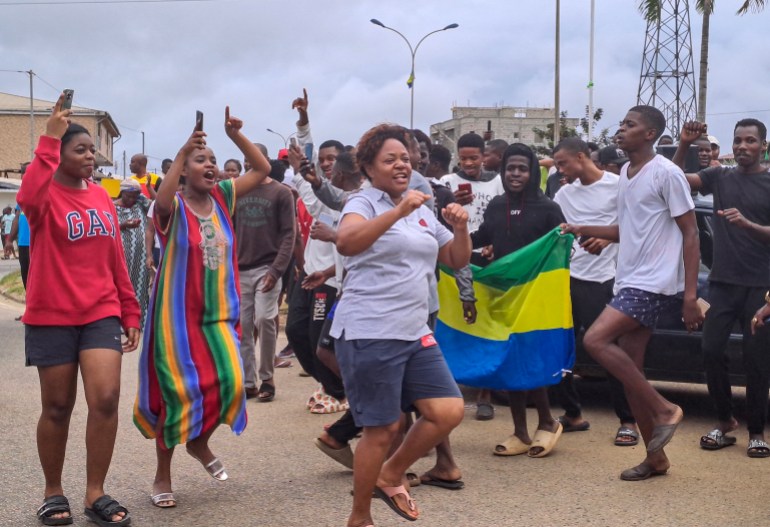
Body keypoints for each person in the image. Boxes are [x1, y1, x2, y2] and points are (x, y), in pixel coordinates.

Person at [332, 123, 470, 527]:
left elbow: (455, 260)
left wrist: (461, 227)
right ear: (369, 168)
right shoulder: (363, 202)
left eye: (405, 159)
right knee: (383, 427)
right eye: (389, 159)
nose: (401, 165)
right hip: (369, 331)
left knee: (447, 410)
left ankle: (390, 475)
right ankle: (360, 518)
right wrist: (397, 211)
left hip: (414, 330)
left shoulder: (423, 209)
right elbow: (347, 242)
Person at [133, 107, 271, 509]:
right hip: (174, 322)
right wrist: (181, 152)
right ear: (184, 170)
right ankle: (163, 475)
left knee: (230, 384)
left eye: (212, 161)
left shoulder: (224, 197)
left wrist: (235, 136)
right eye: (201, 160)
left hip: (219, 318)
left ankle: (199, 443)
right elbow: (159, 198)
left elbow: (262, 169)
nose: (210, 165)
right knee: (177, 395)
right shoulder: (171, 207)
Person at [562, 105, 702, 481]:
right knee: (630, 371)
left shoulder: (667, 173)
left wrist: (689, 296)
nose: (620, 130)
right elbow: (627, 228)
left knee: (595, 339)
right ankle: (655, 458)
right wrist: (584, 230)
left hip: (653, 282)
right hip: (628, 278)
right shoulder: (625, 172)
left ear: (650, 133)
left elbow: (691, 233)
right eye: (621, 124)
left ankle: (664, 408)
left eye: (629, 125)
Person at [19, 94, 141, 526]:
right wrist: (48, 139)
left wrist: (130, 310)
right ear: (61, 154)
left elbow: (114, 261)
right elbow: (29, 194)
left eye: (93, 149)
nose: (91, 156)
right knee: (57, 405)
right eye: (81, 149)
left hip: (100, 312)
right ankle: (54, 493)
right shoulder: (44, 197)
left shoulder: (102, 199)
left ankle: (96, 492)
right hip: (51, 314)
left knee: (105, 398)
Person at [674, 119, 770, 457]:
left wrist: (748, 224)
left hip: (761, 286)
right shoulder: (720, 177)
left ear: (763, 145)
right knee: (711, 350)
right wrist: (684, 144)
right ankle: (725, 421)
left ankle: (757, 431)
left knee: (757, 360)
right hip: (722, 284)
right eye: (738, 140)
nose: (743, 146)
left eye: (750, 141)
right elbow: (675, 182)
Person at [470, 143, 566, 457]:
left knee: (531, 360)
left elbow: (562, 246)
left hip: (536, 297)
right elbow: (483, 236)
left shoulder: (548, 207)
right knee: (511, 360)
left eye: (522, 169)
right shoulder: (496, 205)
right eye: (510, 168)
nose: (515, 174)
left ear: (533, 173)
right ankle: (520, 432)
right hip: (503, 293)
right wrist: (452, 235)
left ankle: (548, 422)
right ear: (503, 170)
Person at [552, 138, 639, 446]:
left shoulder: (618, 186)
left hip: (604, 280)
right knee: (561, 349)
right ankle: (573, 414)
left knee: (609, 351)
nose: (560, 171)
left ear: (580, 157)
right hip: (568, 280)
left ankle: (628, 420)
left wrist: (607, 240)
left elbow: (637, 225)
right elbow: (556, 231)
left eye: (563, 163)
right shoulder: (564, 194)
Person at [439, 132, 505, 420]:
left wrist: (496, 243)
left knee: (486, 324)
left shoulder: (497, 182)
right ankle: (448, 388)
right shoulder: (445, 183)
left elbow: (501, 216)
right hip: (455, 257)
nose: (468, 163)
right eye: (463, 158)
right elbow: (437, 219)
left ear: (484, 156)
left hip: (487, 259)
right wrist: (451, 201)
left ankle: (485, 394)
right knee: (456, 322)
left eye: (474, 158)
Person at [236, 156, 296, 402]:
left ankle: (267, 377)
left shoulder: (281, 193)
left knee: (264, 319)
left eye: (254, 161)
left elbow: (289, 234)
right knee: (243, 325)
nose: (250, 167)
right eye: (247, 163)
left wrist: (276, 270)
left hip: (267, 267)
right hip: (239, 269)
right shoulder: (236, 190)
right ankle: (248, 382)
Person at [114, 179, 152, 326]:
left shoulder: (140, 205)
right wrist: (124, 225)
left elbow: (154, 205)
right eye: (128, 195)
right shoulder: (112, 206)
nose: (131, 199)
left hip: (140, 257)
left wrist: (140, 192)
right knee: (120, 286)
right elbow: (109, 227)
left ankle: (137, 321)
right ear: (121, 192)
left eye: (134, 196)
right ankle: (119, 321)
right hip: (120, 255)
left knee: (139, 287)